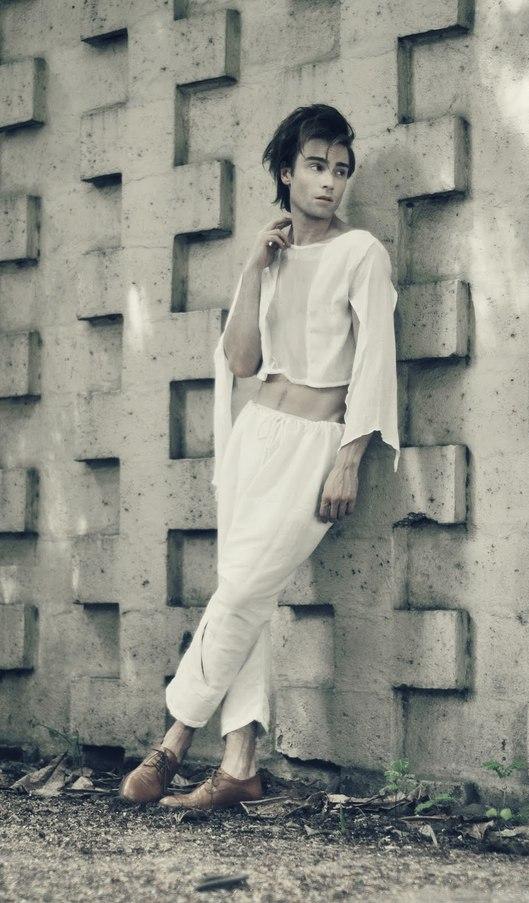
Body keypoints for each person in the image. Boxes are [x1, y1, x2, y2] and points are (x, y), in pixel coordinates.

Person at [119, 104, 400, 810]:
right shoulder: (271, 258)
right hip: (256, 437)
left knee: (240, 593)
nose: (330, 182)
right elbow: (242, 361)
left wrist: (350, 456)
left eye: (341, 170)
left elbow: (375, 363)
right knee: (247, 595)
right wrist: (251, 267)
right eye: (316, 166)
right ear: (286, 172)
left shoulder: (362, 253)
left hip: (315, 443)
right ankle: (240, 764)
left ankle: (173, 740)